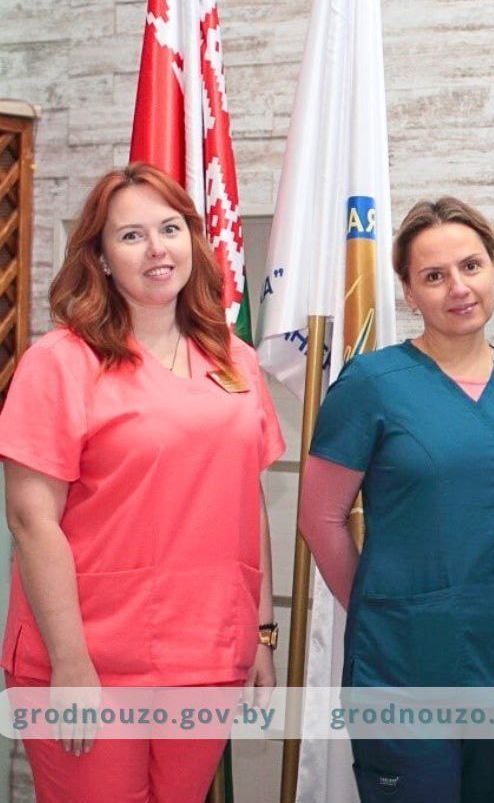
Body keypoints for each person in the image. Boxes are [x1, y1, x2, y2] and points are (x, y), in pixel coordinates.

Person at [0, 163, 284, 802]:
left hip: (207, 654)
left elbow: (249, 501)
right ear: (100, 257)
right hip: (87, 661)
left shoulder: (235, 360)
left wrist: (261, 634)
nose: (157, 248)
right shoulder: (60, 362)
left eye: (170, 228)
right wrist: (70, 663)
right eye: (131, 236)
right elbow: (30, 520)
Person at [299, 197, 494, 802]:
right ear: (409, 293)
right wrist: (384, 606)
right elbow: (319, 517)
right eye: (434, 276)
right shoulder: (371, 384)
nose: (458, 288)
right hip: (400, 663)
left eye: (471, 266)